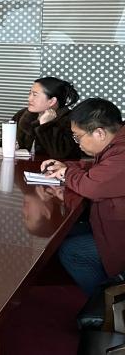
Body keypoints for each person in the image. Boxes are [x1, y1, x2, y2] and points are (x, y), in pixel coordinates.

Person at [42, 98, 125, 296]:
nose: (77, 143)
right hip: (110, 224)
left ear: (99, 133)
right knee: (62, 234)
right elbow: (101, 170)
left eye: (77, 136)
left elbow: (93, 187)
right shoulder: (115, 145)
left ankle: (105, 302)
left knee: (72, 251)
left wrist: (66, 173)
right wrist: (68, 166)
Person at [13, 76, 81, 160]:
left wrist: (45, 125)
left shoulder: (70, 120)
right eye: (29, 93)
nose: (29, 99)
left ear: (52, 101)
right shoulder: (22, 115)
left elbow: (60, 154)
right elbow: (3, 145)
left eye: (35, 95)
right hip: (21, 165)